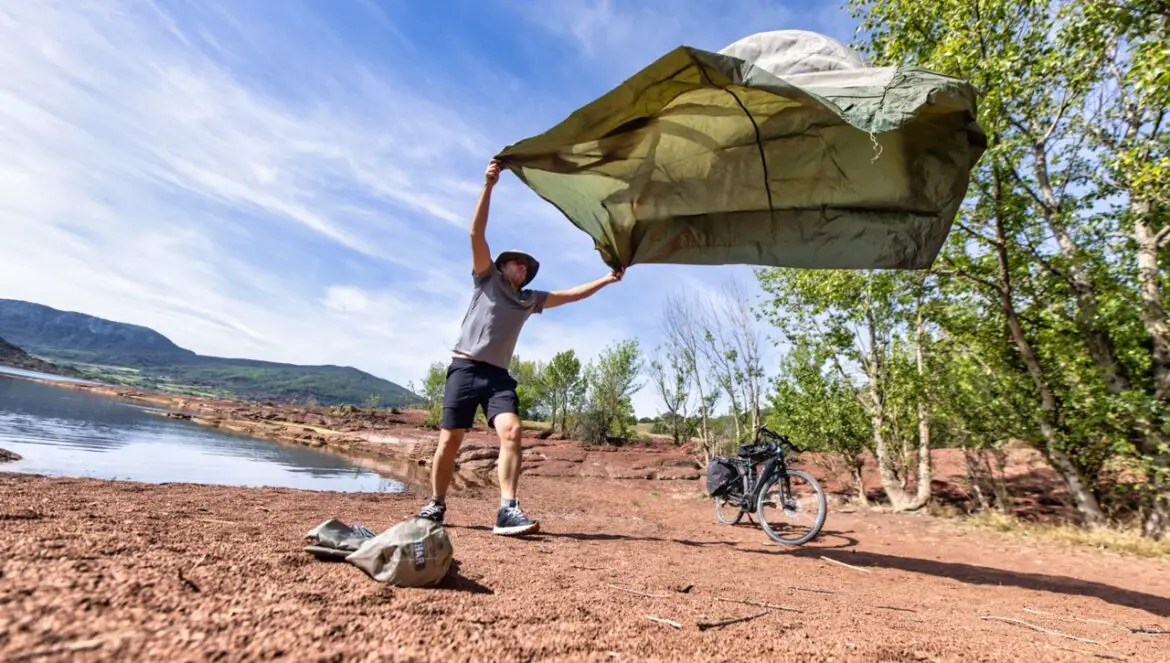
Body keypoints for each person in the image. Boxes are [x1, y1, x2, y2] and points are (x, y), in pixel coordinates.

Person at [415, 158, 624, 536]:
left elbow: (570, 296)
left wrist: (607, 280)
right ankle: (436, 504)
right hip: (464, 368)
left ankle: (507, 509)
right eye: (518, 264)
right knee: (450, 441)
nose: (524, 269)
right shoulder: (486, 280)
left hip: (497, 377)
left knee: (512, 432)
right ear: (503, 266)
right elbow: (475, 235)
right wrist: (488, 186)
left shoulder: (529, 299)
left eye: (527, 267)